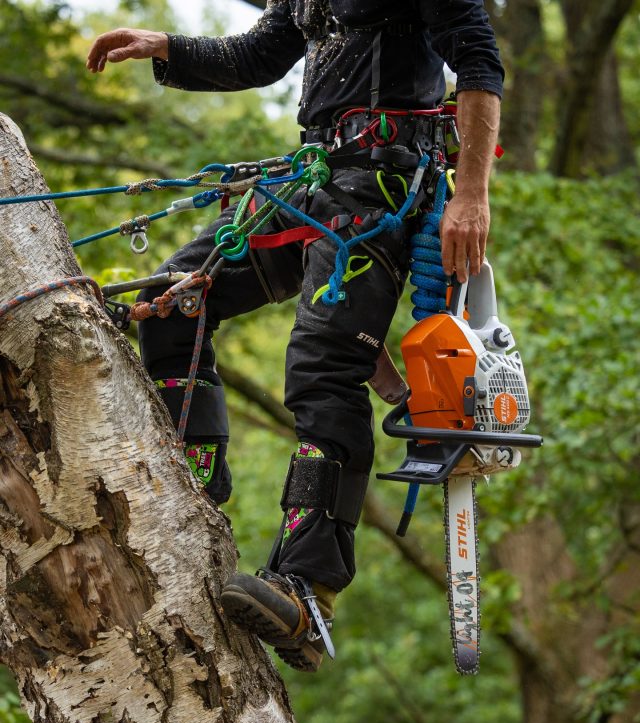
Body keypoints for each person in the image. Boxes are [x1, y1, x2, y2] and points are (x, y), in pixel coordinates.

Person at [87, 1, 504, 673]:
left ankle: (308, 593)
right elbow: (257, 55)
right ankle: (192, 479)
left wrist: (473, 196)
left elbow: (481, 63)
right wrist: (162, 44)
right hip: (313, 181)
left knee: (323, 368)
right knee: (174, 299)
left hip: (383, 186)